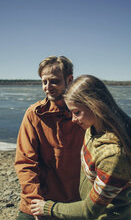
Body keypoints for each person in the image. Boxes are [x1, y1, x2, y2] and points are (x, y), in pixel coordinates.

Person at [30, 75, 131, 219]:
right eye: (71, 112)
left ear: (95, 105)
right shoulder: (92, 130)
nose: (73, 119)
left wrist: (47, 207)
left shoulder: (114, 156)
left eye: (77, 112)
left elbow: (89, 211)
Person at [14, 56, 85, 219]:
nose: (47, 87)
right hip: (39, 200)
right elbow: (25, 162)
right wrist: (35, 201)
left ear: (70, 80)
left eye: (54, 81)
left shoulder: (84, 113)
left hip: (75, 202)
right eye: (44, 82)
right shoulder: (34, 114)